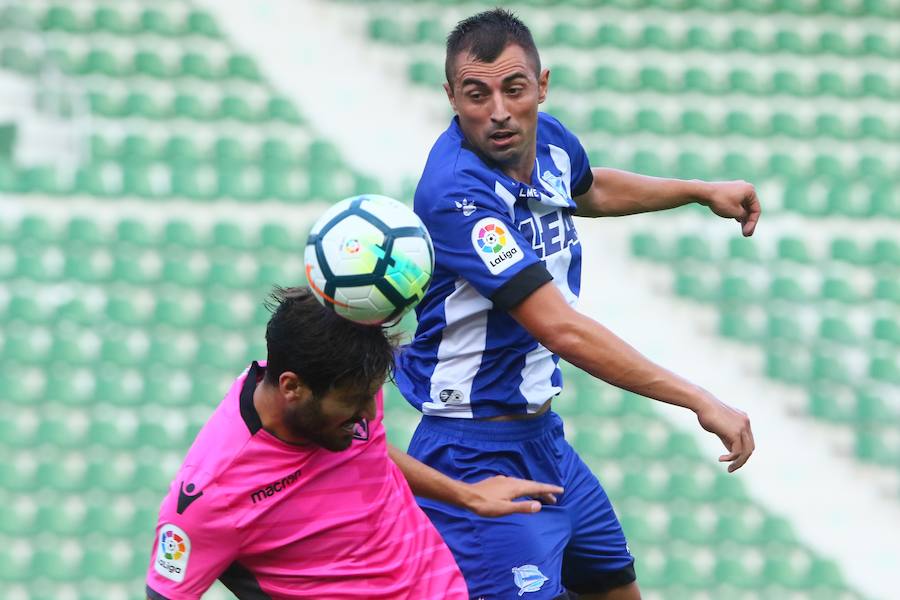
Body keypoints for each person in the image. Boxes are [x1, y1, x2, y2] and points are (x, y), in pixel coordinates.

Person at [395, 9, 759, 600]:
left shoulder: (551, 142)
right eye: (476, 94)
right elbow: (560, 329)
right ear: (450, 98)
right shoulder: (456, 195)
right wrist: (698, 399)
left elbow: (588, 190)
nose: (499, 111)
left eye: (514, 89)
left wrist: (697, 191)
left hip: (545, 441)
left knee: (617, 590)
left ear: (541, 85)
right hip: (471, 452)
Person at [145, 286, 563, 600]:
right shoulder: (210, 495)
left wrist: (466, 495)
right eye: (354, 404)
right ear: (293, 388)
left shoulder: (347, 387)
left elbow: (372, 451)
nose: (368, 415)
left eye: (372, 396)